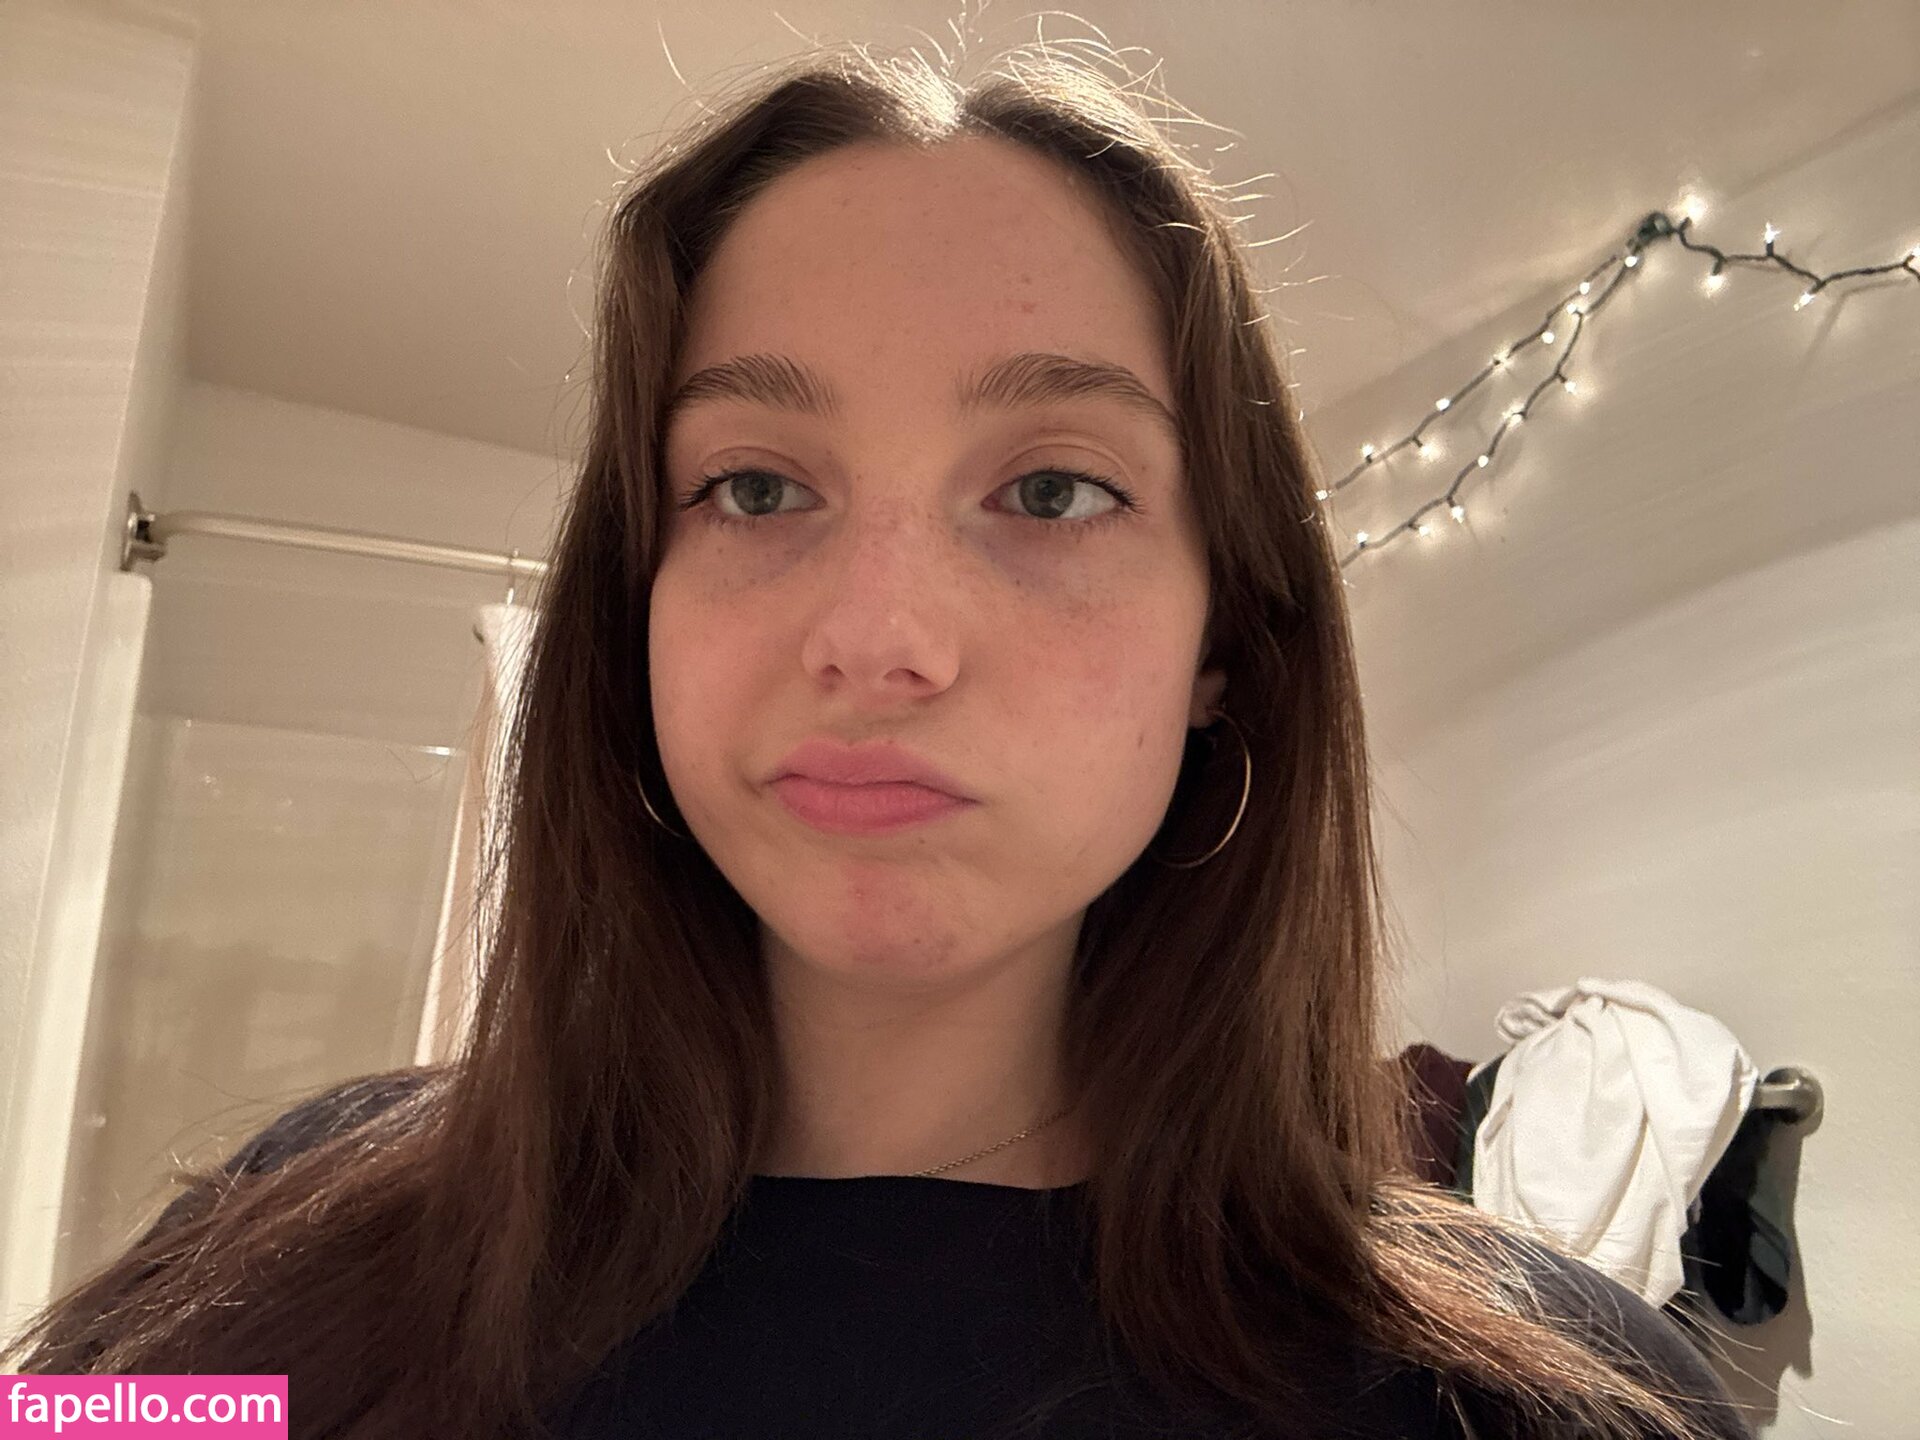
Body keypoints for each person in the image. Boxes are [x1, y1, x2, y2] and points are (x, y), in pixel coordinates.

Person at [3, 33, 1752, 1440]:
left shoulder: (1535, 1406)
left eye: (1052, 490)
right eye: (757, 487)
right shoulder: (294, 1227)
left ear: (1227, 646)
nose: (879, 639)